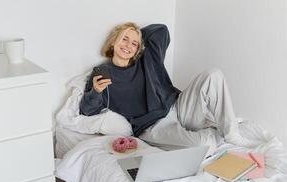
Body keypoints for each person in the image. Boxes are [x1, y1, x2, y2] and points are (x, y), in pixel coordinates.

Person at [79, 22, 256, 147]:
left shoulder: (147, 57)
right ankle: (212, 130)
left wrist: (136, 35)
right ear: (113, 41)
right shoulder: (103, 73)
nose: (128, 46)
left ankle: (232, 134)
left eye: (134, 43)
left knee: (213, 74)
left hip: (178, 107)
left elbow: (161, 30)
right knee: (204, 144)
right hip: (154, 127)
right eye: (124, 39)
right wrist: (95, 91)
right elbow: (88, 110)